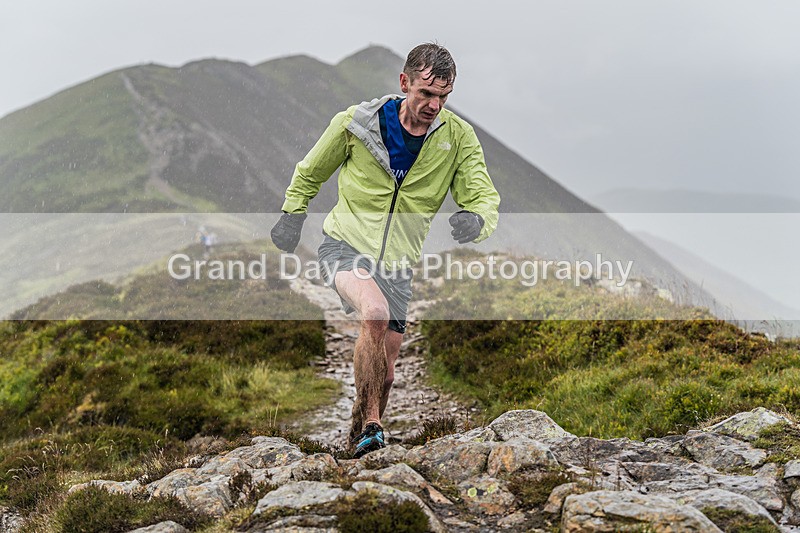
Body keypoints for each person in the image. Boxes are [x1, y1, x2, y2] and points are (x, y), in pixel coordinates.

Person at [270, 43, 500, 457]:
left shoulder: (457, 138)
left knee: (388, 373)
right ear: (404, 82)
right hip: (345, 247)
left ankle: (361, 432)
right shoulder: (357, 124)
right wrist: (292, 214)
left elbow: (483, 195)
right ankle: (375, 424)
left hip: (398, 264)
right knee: (373, 315)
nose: (434, 105)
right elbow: (309, 172)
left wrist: (477, 220)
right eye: (426, 94)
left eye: (443, 97)